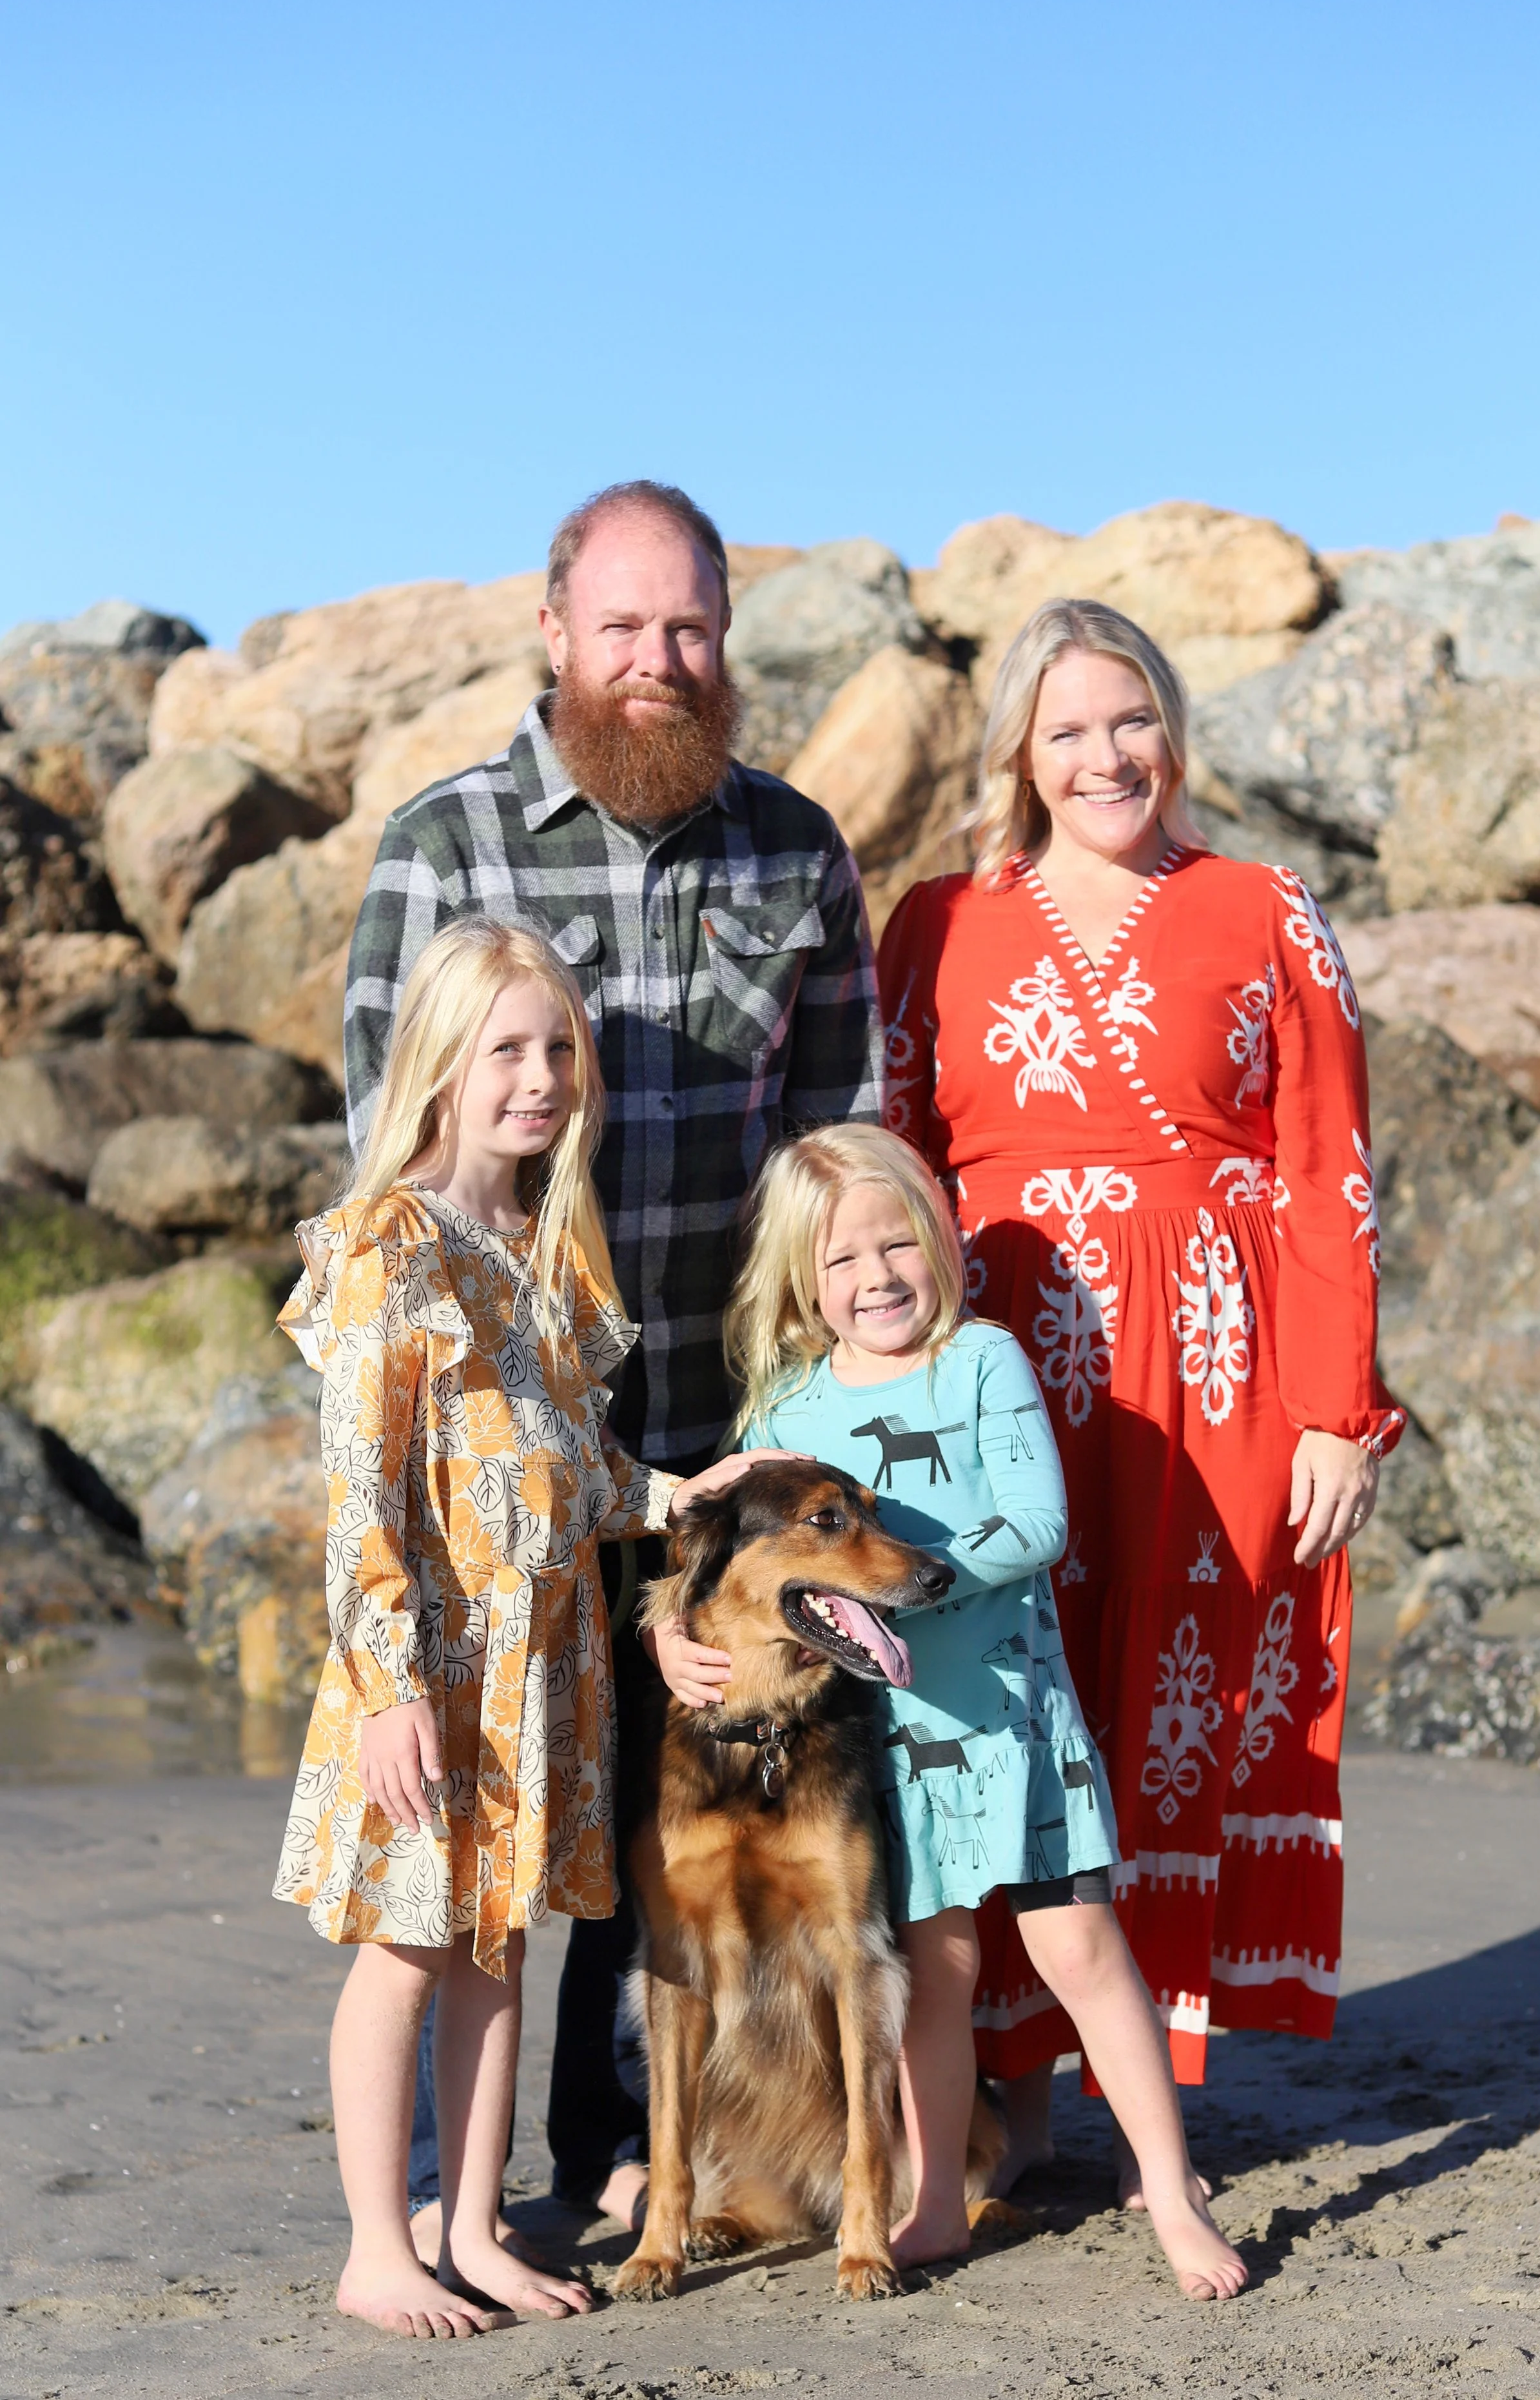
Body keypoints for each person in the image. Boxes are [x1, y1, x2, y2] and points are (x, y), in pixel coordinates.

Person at [342, 479, 883, 2239]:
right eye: (627, 626)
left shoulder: (793, 852)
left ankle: (603, 2151)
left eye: (692, 629)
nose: (660, 660)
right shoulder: (446, 847)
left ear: (723, 638)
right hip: (507, 1418)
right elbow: (383, 1155)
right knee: (483, 1782)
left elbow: (837, 1134)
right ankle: (429, 2184)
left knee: (650, 1783)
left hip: (716, 1423)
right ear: (556, 631)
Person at [874, 599, 1405, 2198]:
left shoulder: (1262, 909)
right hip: (996, 1366)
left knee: (1165, 1697)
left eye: (1130, 722)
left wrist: (1338, 1409)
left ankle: (1115, 2076)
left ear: (1169, 731)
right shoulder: (936, 921)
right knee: (997, 1703)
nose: (1105, 756)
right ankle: (1006, 2098)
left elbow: (1327, 1169)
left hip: (1219, 1371)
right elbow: (889, 1171)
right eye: (1067, 730)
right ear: (1017, 758)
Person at [271, 916, 787, 2337]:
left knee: (498, 1947)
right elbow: (364, 1495)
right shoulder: (393, 1248)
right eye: (504, 1048)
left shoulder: (544, 1247)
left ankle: (482, 2226)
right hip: (427, 1673)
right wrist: (386, 1688)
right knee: (405, 1948)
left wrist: (688, 1492)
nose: (539, 1076)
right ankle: (383, 2242)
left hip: (539, 1669)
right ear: (439, 1067)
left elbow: (572, 1470)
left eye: (558, 1048)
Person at [649, 1122, 1245, 2299]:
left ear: (937, 1241)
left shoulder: (983, 1361)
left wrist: (904, 1573)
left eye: (896, 1244)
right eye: (842, 1260)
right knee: (935, 1967)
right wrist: (671, 1635)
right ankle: (928, 2203)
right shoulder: (788, 1404)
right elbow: (711, 1553)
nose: (876, 1277)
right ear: (803, 1285)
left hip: (1014, 1725)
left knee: (1079, 1946)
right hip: (889, 1749)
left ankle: (1169, 2190)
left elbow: (1037, 1523)